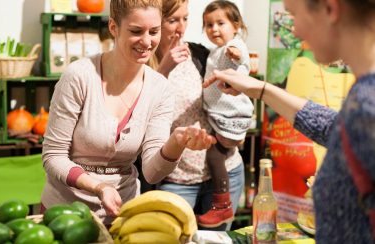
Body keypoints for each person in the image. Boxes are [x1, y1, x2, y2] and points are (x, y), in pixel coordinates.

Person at [203, 0, 375, 242]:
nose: (294, 31)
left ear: (329, 9)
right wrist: (261, 89)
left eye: (293, 15)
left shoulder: (367, 105)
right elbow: (334, 128)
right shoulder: (364, 98)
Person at [40, 0, 216, 226]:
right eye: (136, 31)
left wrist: (177, 142)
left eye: (154, 31)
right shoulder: (79, 76)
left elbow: (152, 173)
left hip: (123, 214)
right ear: (113, 27)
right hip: (65, 213)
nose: (146, 41)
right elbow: (53, 156)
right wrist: (98, 187)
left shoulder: (160, 90)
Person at [150, 0, 246, 230]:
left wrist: (236, 128)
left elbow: (229, 93)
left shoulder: (201, 55)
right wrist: (164, 69)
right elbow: (140, 114)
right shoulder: (143, 65)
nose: (181, 28)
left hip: (225, 172)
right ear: (155, 23)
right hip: (177, 181)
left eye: (185, 18)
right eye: (173, 20)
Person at [198, 0, 254, 228]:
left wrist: (235, 53)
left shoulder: (233, 45)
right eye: (209, 25)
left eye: (220, 23)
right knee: (216, 152)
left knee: (214, 155)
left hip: (232, 117)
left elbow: (240, 58)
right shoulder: (215, 50)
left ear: (236, 25)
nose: (214, 29)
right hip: (223, 117)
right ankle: (221, 205)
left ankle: (222, 205)